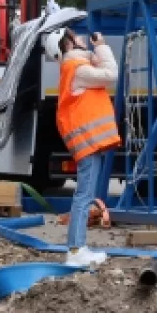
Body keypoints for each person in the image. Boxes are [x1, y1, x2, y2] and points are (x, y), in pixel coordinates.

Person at [51, 27, 120, 268]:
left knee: (86, 195)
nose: (81, 39)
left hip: (89, 143)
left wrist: (95, 52)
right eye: (75, 38)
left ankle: (78, 248)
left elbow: (101, 72)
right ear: (68, 45)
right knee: (84, 196)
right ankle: (76, 250)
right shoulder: (77, 70)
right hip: (88, 144)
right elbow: (111, 74)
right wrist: (101, 46)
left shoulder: (75, 68)